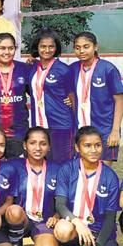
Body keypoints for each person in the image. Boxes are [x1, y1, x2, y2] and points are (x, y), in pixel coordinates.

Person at [53, 126, 121, 246]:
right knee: (62, 228)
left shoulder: (110, 176)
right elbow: (60, 205)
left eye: (97, 145)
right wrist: (78, 223)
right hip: (76, 230)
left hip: (100, 234)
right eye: (87, 145)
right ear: (78, 147)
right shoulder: (67, 169)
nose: (93, 150)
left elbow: (110, 219)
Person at [9, 127, 62, 246]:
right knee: (14, 211)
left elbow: (64, 199)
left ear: (49, 147)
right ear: (25, 145)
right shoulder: (13, 165)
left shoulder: (57, 169)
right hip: (20, 219)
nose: (38, 148)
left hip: (43, 222)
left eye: (43, 144)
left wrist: (57, 215)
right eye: (32, 143)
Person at [71, 32, 123, 165]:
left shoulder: (108, 69)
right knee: (82, 177)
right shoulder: (72, 70)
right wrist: (35, 62)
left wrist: (115, 131)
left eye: (86, 46)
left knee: (102, 176)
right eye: (77, 47)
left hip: (104, 132)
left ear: (95, 47)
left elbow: (119, 100)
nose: (81, 51)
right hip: (80, 132)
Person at [27, 29, 75, 163]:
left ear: (56, 47)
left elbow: (73, 96)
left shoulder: (64, 69)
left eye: (51, 46)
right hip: (39, 125)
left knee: (62, 163)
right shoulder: (31, 68)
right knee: (42, 164)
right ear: (37, 47)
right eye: (43, 46)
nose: (47, 50)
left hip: (60, 125)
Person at [0, 33, 29, 159]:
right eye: (2, 48)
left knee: (17, 171)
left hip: (19, 133)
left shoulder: (24, 68)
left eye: (11, 48)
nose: (7, 52)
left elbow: (40, 91)